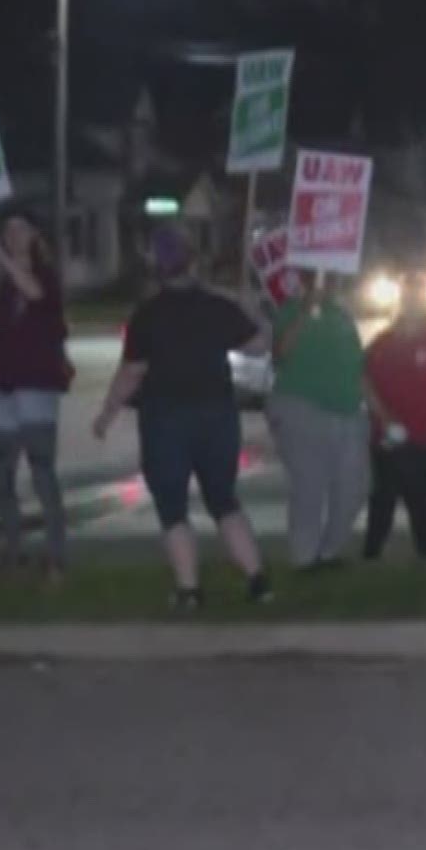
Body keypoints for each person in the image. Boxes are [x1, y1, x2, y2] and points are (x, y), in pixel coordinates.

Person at [93, 225, 270, 610]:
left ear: (156, 265)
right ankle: (258, 581)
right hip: (217, 415)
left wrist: (106, 414)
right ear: (193, 261)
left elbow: (131, 373)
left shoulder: (148, 315)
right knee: (223, 499)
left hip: (166, 419)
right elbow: (259, 347)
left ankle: (189, 590)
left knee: (172, 506)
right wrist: (249, 308)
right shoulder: (217, 306)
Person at [0, 207, 73, 589]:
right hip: (7, 389)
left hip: (38, 389)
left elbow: (35, 293)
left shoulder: (45, 277)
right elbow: (0, 346)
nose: (12, 236)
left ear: (34, 235)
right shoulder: (3, 289)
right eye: (7, 230)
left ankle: (57, 556)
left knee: (42, 472)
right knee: (1, 476)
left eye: (20, 230)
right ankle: (14, 548)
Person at [269, 272, 369, 572]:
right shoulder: (290, 310)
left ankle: (329, 552)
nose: (330, 285)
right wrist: (305, 310)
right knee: (309, 487)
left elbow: (358, 368)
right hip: (301, 408)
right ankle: (304, 558)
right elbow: (281, 354)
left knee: (354, 487)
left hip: (348, 411)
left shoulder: (343, 317)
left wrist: (379, 412)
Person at [362, 274, 426, 560]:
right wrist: (385, 418)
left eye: (416, 299)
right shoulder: (383, 342)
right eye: (406, 299)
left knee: (421, 500)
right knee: (383, 497)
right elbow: (364, 380)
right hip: (388, 437)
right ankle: (372, 553)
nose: (410, 304)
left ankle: (425, 555)